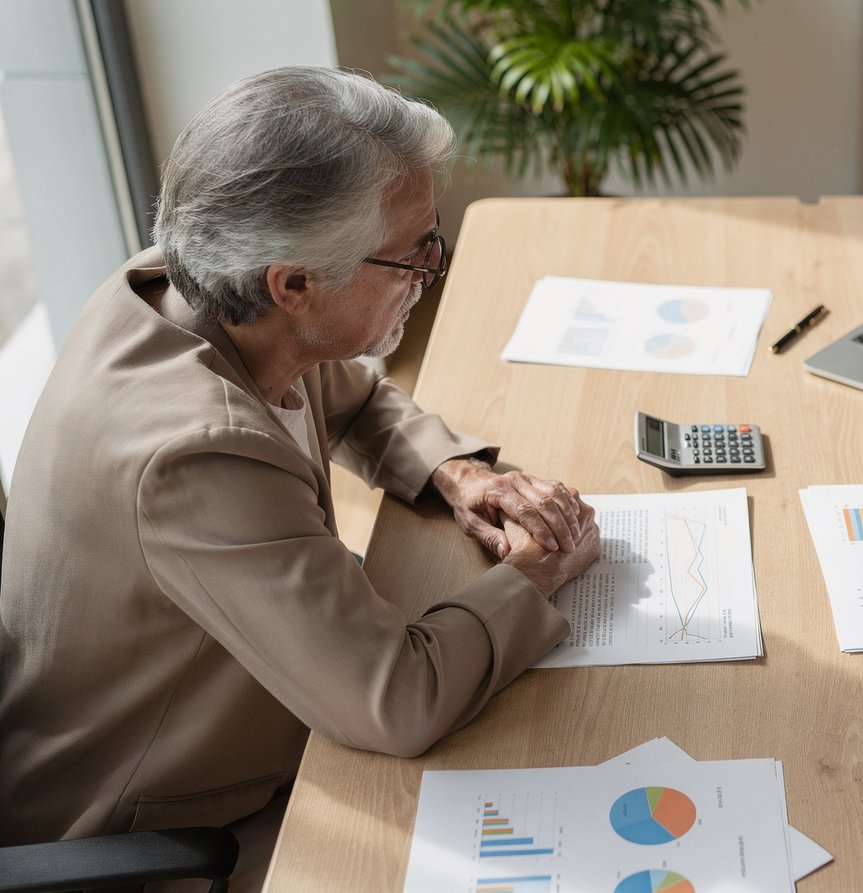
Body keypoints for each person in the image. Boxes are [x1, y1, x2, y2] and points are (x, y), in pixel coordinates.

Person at [0, 67, 600, 888]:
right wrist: (537, 570)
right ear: (294, 284)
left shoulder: (203, 290)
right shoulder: (196, 453)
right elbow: (400, 698)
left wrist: (456, 472)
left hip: (256, 704)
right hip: (160, 820)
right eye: (412, 254)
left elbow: (349, 397)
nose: (431, 270)